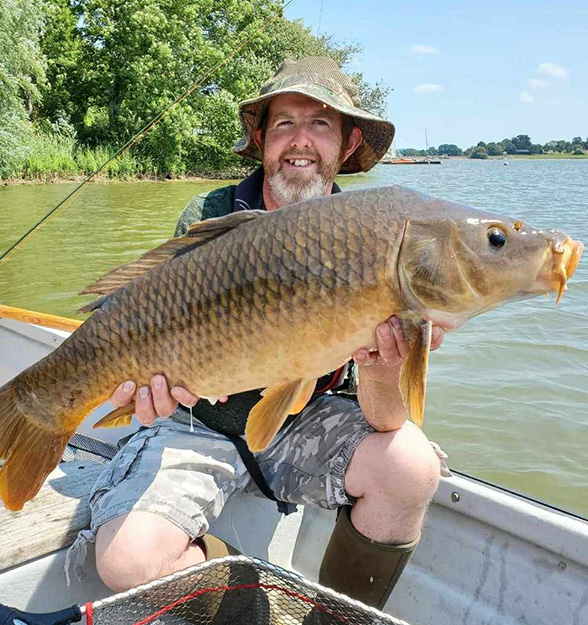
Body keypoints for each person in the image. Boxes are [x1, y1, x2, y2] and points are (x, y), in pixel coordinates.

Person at [83, 57, 446, 610]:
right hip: (195, 420)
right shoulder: (209, 214)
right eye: (284, 124)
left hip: (304, 421)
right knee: (126, 563)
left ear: (347, 145)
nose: (301, 141)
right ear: (261, 139)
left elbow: (386, 420)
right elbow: (154, 341)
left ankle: (333, 621)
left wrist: (380, 364)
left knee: (411, 465)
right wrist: (145, 394)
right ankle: (255, 602)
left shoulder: (374, 237)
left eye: (320, 124)